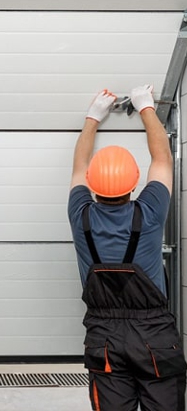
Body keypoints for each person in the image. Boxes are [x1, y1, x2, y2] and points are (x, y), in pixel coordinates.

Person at [68, 85, 186, 411]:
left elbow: (79, 165)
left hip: (103, 337)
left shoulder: (81, 216)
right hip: (154, 336)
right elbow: (162, 157)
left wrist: (93, 116)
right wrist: (145, 106)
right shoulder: (148, 212)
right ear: (134, 184)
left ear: (92, 184)